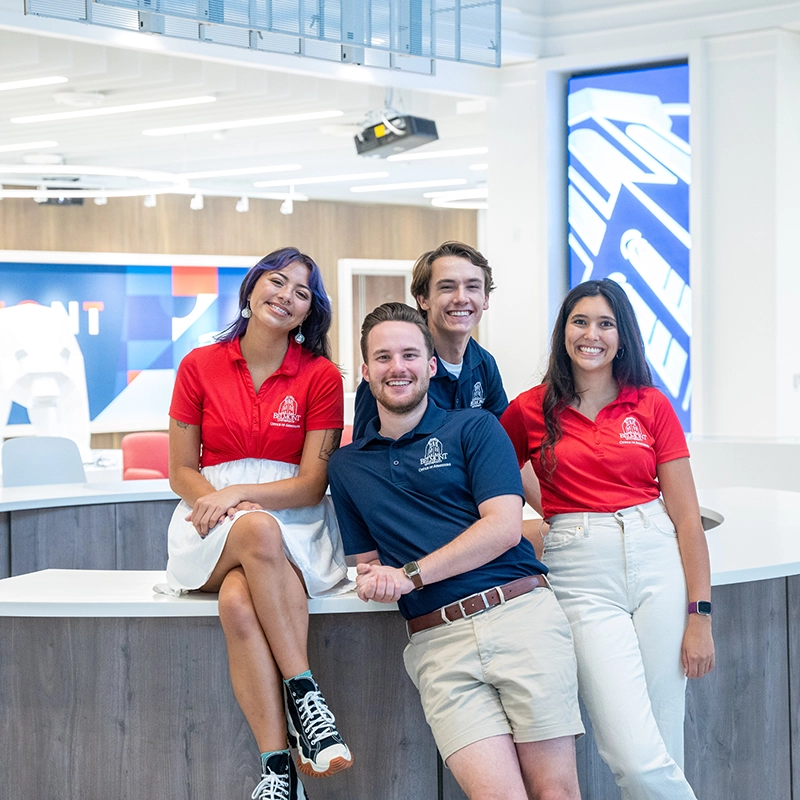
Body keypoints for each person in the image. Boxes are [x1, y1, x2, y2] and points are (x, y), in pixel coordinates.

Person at [329, 302, 584, 800]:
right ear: (365, 372)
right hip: (437, 644)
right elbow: (368, 562)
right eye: (382, 358)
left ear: (430, 365)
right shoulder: (346, 466)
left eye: (409, 354)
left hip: (519, 615)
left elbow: (505, 528)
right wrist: (373, 577)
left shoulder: (474, 428)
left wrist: (410, 574)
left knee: (556, 793)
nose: (396, 367)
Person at [500, 279, 715, 800]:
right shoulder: (529, 410)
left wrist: (699, 616)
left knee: (666, 743)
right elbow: (491, 482)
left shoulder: (652, 406)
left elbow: (686, 519)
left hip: (656, 554)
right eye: (580, 321)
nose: (591, 334)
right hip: (579, 573)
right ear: (563, 331)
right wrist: (542, 511)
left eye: (605, 323)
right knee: (635, 758)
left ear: (622, 336)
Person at [164, 247, 353, 800]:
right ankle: (307, 695)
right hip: (208, 518)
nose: (286, 296)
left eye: (302, 293)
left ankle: (278, 771)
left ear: (308, 312)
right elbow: (180, 471)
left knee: (238, 601)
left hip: (296, 521)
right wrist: (224, 504)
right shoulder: (199, 364)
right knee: (255, 530)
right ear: (250, 289)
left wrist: (243, 494)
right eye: (277, 282)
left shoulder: (320, 377)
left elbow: (311, 485)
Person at [352, 241, 507, 439]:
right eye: (447, 287)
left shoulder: (485, 365)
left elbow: (500, 438)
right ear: (423, 299)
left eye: (472, 287)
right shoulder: (394, 370)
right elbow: (365, 452)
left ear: (485, 299)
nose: (461, 298)